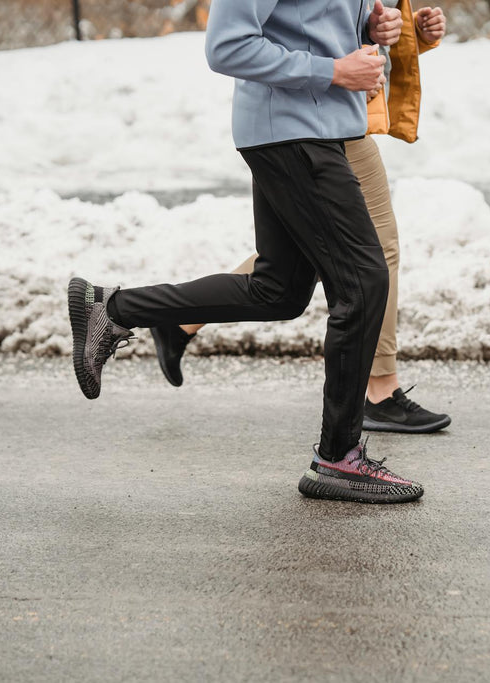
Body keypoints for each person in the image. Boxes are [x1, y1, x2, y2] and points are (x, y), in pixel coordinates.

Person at [68, 0, 424, 504]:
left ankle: (113, 308)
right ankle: (339, 458)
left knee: (277, 291)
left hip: (320, 129)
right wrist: (333, 70)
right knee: (364, 284)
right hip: (294, 132)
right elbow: (228, 45)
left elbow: (310, 21)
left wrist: (370, 24)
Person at [151, 1, 451, 435]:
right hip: (301, 122)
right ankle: (377, 394)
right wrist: (335, 70)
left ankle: (173, 319)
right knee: (368, 253)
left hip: (334, 117)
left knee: (306, 257)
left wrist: (396, 32)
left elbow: (324, 28)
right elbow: (232, 45)